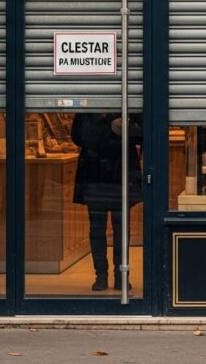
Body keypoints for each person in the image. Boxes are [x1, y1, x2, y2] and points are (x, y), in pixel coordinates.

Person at [71, 112, 143, 291]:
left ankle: (114, 276)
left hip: (113, 174)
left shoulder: (125, 108)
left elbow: (142, 134)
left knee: (112, 229)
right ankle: (107, 276)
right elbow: (79, 138)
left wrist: (124, 128)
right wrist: (113, 129)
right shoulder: (90, 110)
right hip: (105, 175)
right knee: (105, 228)